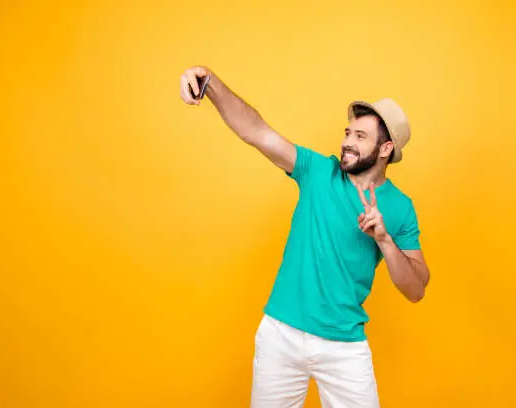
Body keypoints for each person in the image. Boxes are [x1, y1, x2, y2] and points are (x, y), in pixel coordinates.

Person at [180, 66, 430, 407]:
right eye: (348, 133)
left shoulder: (401, 208)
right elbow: (257, 132)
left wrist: (385, 240)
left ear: (385, 149)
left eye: (360, 137)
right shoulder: (317, 171)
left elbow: (415, 289)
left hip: (343, 346)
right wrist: (209, 81)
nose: (346, 142)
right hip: (281, 334)